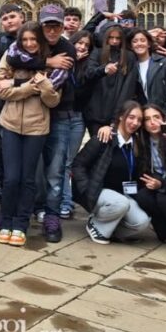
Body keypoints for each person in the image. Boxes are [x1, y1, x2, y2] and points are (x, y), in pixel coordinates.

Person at [0, 22, 61, 247]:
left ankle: (21, 224)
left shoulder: (51, 61)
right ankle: (7, 220)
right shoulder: (11, 56)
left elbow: (53, 100)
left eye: (33, 40)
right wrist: (29, 87)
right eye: (25, 40)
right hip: (11, 123)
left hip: (37, 127)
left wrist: (42, 85)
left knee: (28, 178)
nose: (30, 44)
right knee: (11, 178)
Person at [98, 104, 166, 248]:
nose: (153, 122)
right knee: (143, 196)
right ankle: (165, 231)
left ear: (164, 119)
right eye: (147, 119)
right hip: (154, 184)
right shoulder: (140, 140)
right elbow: (122, 128)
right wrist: (107, 127)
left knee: (165, 198)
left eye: (156, 117)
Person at [72, 101, 152, 244]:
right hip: (98, 192)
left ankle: (112, 231)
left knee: (142, 223)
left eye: (139, 120)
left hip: (122, 194)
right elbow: (78, 165)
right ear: (121, 116)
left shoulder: (137, 144)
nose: (135, 123)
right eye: (131, 117)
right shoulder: (104, 137)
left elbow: (156, 131)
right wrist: (85, 188)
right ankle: (96, 225)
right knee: (120, 203)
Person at [36, 5, 79, 242]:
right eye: (48, 25)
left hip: (60, 114)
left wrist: (40, 66)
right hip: (33, 115)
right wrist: (48, 61)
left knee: (55, 169)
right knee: (32, 167)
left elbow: (52, 84)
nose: (52, 30)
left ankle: (52, 215)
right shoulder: (34, 43)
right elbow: (18, 64)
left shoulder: (67, 47)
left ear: (62, 27)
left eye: (56, 26)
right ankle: (35, 208)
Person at [64, 30, 103, 218]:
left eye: (86, 46)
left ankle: (66, 201)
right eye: (79, 43)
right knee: (57, 161)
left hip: (78, 116)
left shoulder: (88, 66)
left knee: (68, 161)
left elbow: (80, 88)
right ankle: (60, 199)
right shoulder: (63, 60)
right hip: (61, 115)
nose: (81, 47)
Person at [84, 25, 136, 137]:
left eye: (118, 38)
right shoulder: (97, 53)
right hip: (95, 113)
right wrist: (104, 69)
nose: (114, 41)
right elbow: (89, 74)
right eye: (111, 37)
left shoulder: (129, 56)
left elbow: (127, 88)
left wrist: (116, 117)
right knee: (96, 146)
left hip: (116, 112)